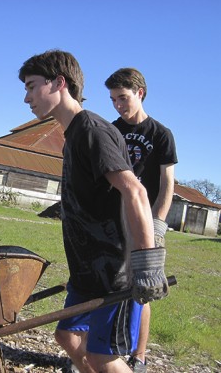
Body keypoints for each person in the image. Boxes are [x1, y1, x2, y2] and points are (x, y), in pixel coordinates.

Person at [18, 50, 169, 373]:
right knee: (68, 339)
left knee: (103, 356)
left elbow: (135, 190)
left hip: (114, 271)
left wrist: (147, 264)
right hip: (88, 270)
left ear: (59, 83)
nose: (27, 98)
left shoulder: (92, 130)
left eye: (32, 86)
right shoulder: (73, 133)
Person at [104, 68, 178, 372]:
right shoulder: (110, 130)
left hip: (144, 219)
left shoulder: (161, 134)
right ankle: (101, 349)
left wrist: (157, 225)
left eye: (123, 97)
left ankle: (139, 355)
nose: (118, 105)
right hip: (112, 217)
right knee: (106, 282)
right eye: (113, 99)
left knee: (143, 287)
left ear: (140, 93)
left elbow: (167, 184)